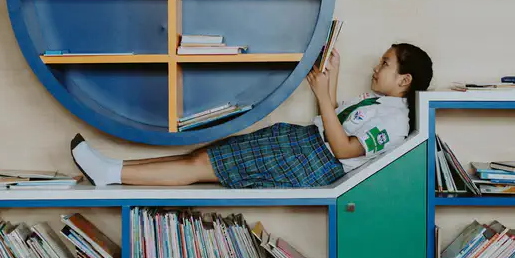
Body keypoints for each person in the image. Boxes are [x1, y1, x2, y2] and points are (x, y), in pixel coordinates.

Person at [70, 43, 433, 188]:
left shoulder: (394, 121)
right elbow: (334, 123)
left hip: (312, 159)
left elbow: (342, 149)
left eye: (385, 64)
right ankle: (116, 169)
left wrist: (322, 95)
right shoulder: (378, 103)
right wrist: (330, 81)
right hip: (303, 143)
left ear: (404, 80)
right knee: (204, 156)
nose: (376, 67)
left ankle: (112, 174)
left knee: (205, 165)